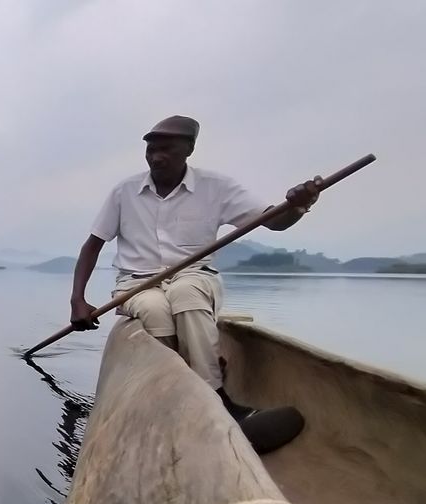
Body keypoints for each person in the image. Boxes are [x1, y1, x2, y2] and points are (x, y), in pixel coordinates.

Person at [68, 115, 322, 428]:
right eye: (151, 149)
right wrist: (77, 300)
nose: (156, 156)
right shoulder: (124, 192)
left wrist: (297, 206)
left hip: (194, 276)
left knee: (185, 294)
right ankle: (166, 394)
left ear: (188, 149)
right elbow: (91, 247)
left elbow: (272, 221)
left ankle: (215, 398)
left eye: (167, 149)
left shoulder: (217, 187)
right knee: (153, 309)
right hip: (137, 282)